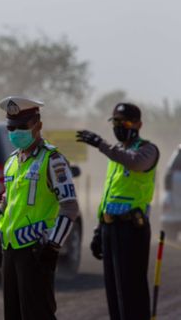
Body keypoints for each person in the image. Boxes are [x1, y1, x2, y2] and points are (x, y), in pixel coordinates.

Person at [0, 96, 79, 320]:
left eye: (21, 127)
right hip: (9, 249)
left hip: (37, 250)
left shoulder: (53, 160)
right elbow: (4, 207)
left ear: (38, 125)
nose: (15, 131)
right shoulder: (11, 162)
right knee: (13, 314)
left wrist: (53, 246)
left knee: (37, 314)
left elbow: (69, 207)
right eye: (11, 127)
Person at [76, 102, 159, 320]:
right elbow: (108, 196)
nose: (119, 126)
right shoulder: (116, 154)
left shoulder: (147, 150)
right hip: (111, 228)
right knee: (114, 291)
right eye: (115, 122)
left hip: (132, 228)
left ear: (138, 124)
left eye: (125, 122)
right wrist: (98, 230)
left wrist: (101, 144)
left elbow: (135, 163)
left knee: (132, 290)